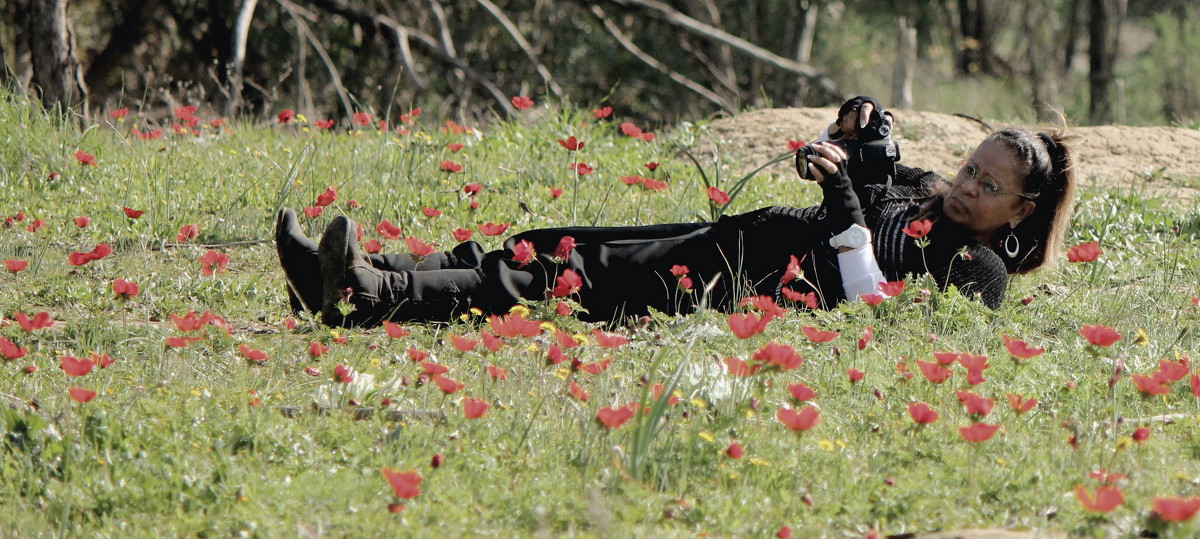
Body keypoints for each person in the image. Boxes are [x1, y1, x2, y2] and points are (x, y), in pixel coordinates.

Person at [275, 97, 1077, 328]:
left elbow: (874, 307)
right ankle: (353, 273)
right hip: (733, 242)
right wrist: (847, 142)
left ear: (1021, 209)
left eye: (989, 185)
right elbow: (866, 185)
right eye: (973, 166)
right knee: (548, 244)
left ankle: (367, 298)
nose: (967, 185)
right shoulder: (927, 189)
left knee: (565, 279)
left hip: (742, 290)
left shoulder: (980, 271)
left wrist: (837, 196)